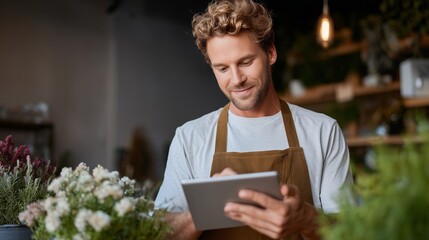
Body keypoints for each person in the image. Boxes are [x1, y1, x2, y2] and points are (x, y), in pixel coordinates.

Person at [155, 0, 353, 239]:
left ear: (270, 53)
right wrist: (206, 206)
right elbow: (161, 234)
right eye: (222, 68)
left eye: (246, 62)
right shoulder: (190, 138)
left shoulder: (323, 131)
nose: (236, 79)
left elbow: (351, 232)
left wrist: (306, 219)